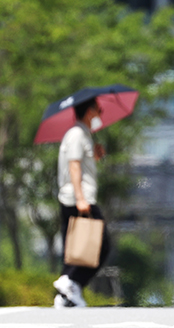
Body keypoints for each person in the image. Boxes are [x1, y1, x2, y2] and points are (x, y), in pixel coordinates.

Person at [53, 98, 110, 308]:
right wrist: (80, 199)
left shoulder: (83, 134)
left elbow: (82, 164)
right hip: (79, 199)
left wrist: (94, 156)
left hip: (78, 198)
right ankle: (69, 280)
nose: (100, 112)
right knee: (101, 244)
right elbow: (74, 166)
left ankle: (66, 295)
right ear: (88, 111)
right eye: (97, 108)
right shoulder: (77, 134)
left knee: (77, 247)